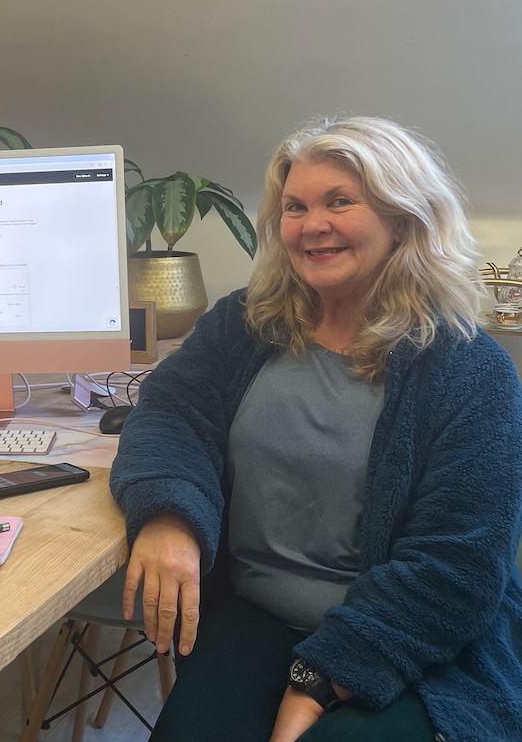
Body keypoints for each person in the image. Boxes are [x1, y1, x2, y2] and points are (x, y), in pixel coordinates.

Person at [109, 116, 522, 742]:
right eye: (294, 206)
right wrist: (170, 514)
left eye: (339, 202)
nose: (312, 225)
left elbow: (457, 565)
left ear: (403, 218)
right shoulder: (246, 323)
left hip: (410, 638)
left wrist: (319, 681)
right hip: (256, 614)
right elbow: (169, 412)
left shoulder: (467, 368)